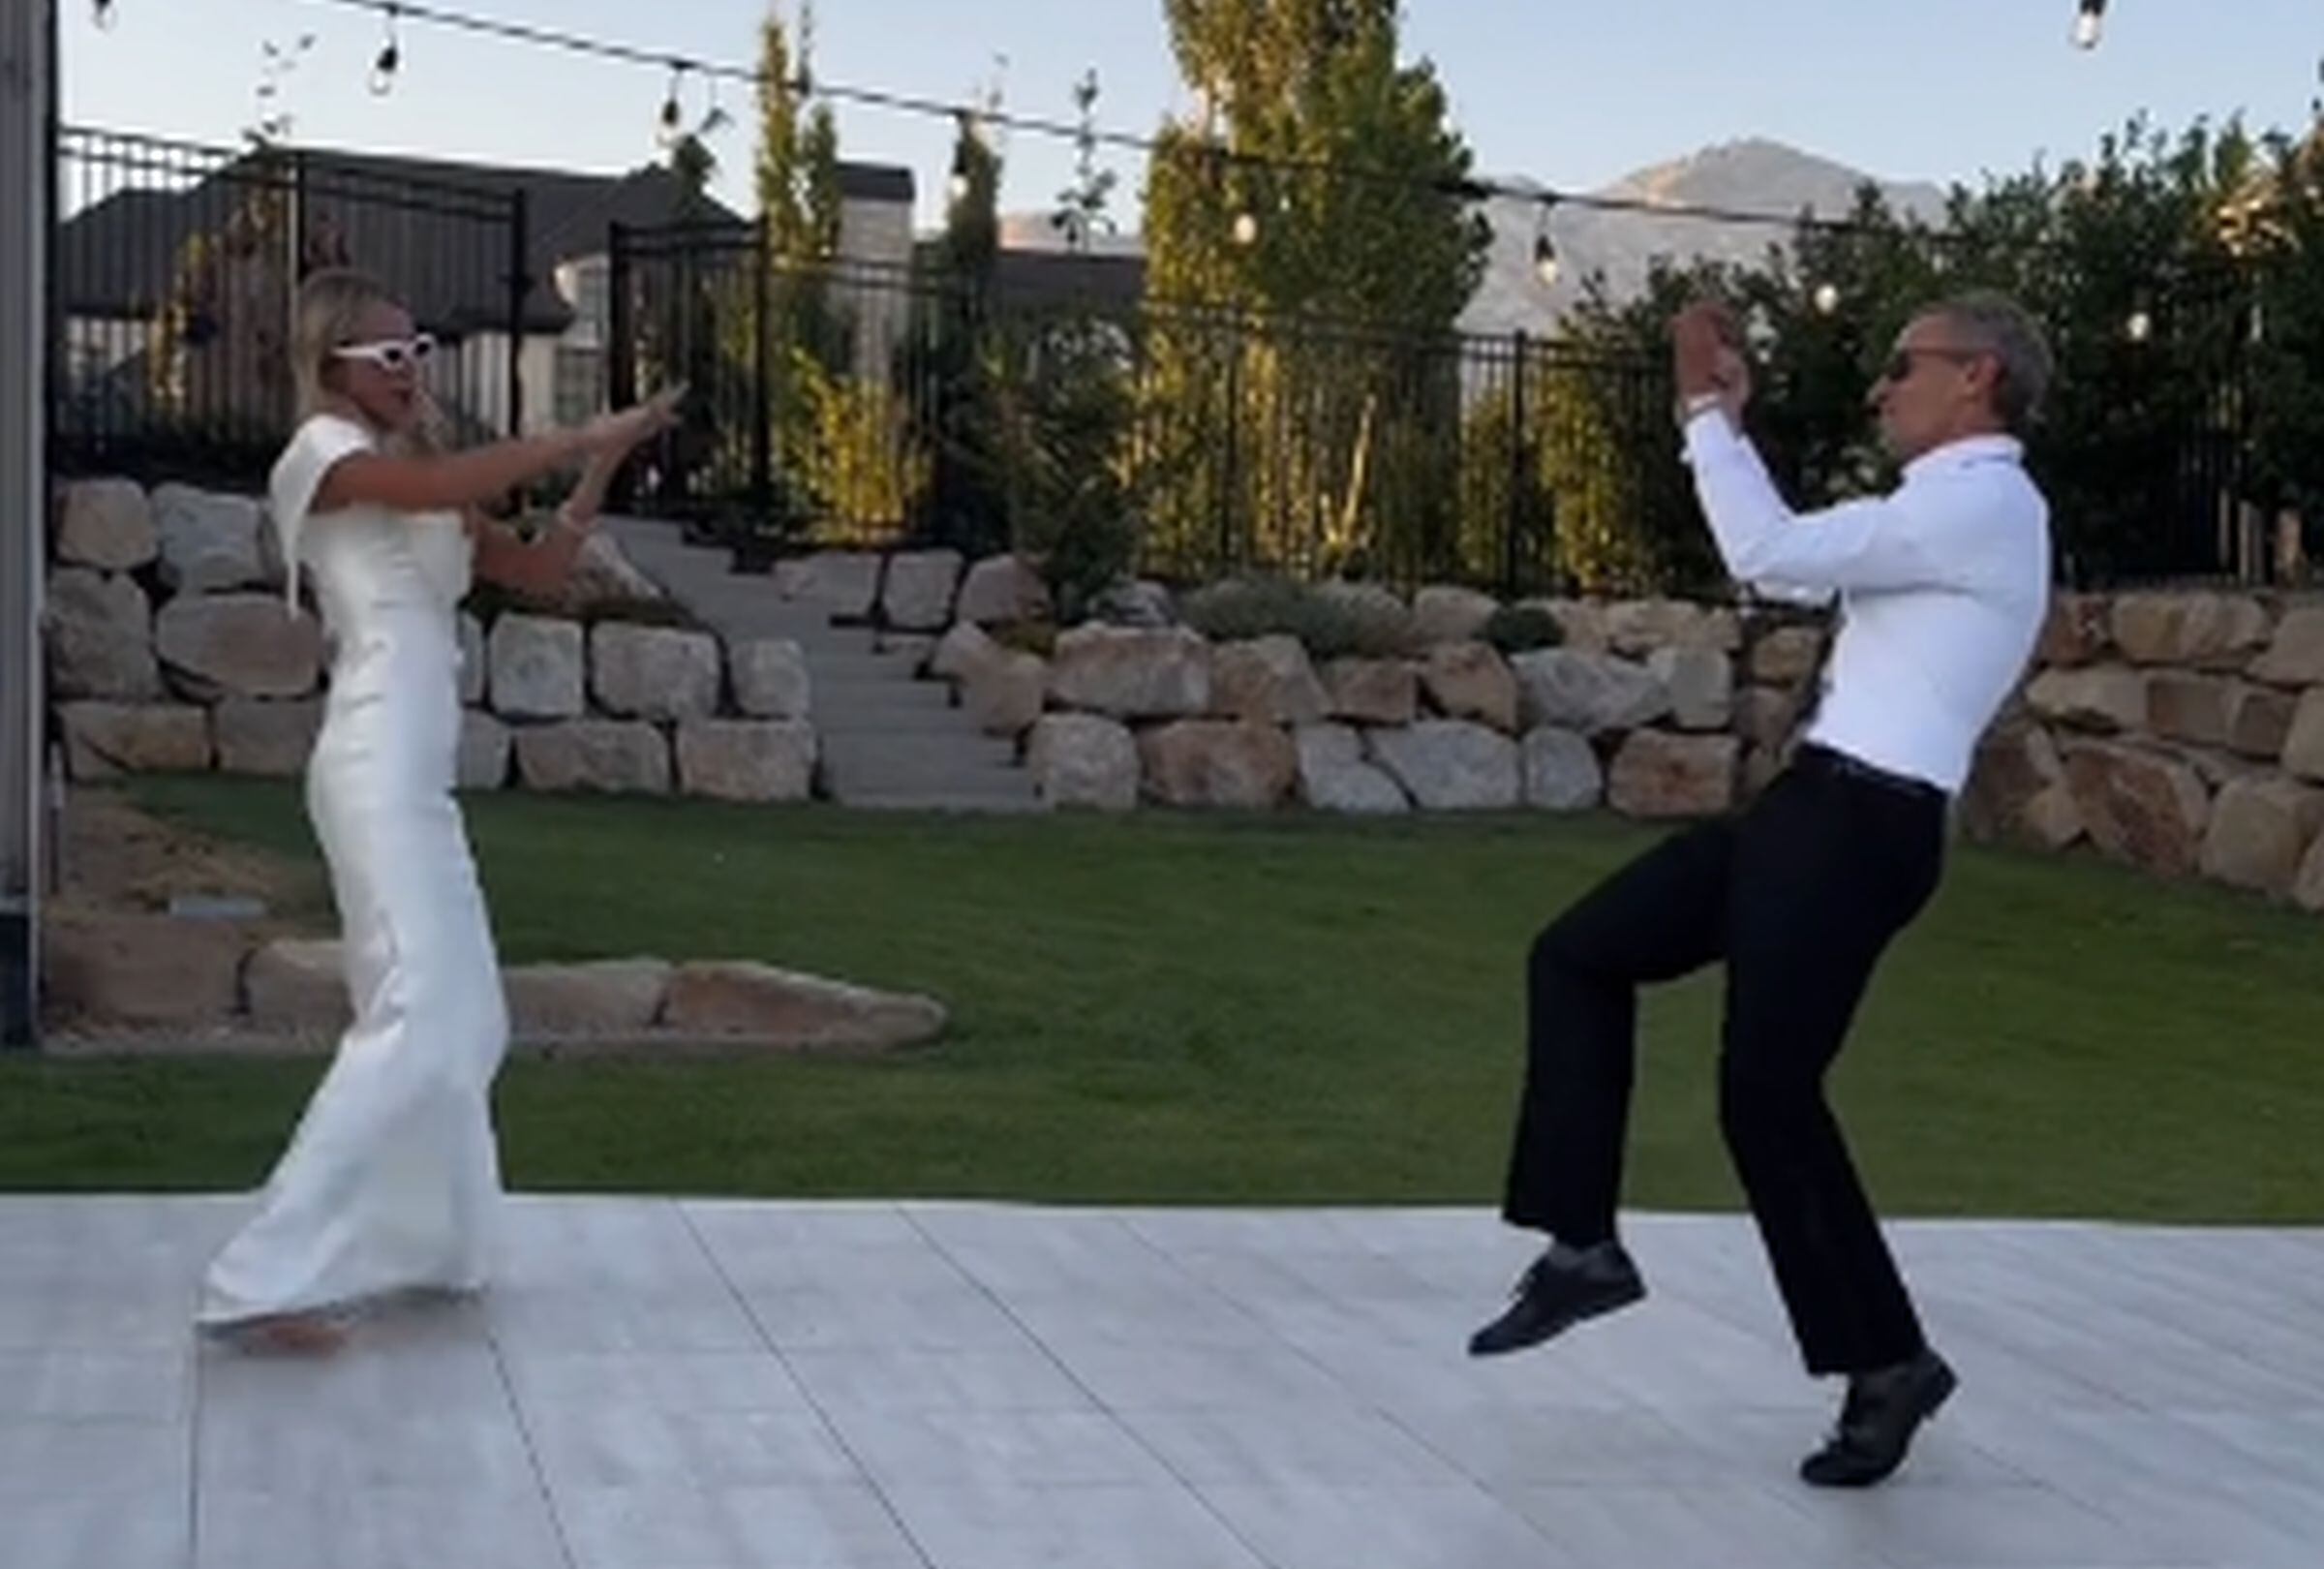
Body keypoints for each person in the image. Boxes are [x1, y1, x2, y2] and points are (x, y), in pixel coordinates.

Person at [1466, 291, 2054, 1488]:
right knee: (1580, 954)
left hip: (1861, 826)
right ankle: (1583, 1248)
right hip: (1815, 812)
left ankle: (1886, 1363)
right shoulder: (1940, 510)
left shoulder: (1984, 504)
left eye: (1905, 364)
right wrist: (1729, 423)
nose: (1884, 387)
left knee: (1768, 1099)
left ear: (1977, 377)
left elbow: (1769, 556)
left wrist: (1698, 408)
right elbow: (1804, 546)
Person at [197, 267, 681, 1352]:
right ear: (332, 367)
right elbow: (440, 486)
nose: (413, 372)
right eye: (390, 357)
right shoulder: (323, 459)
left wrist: (597, 466)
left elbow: (544, 568)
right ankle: (259, 1279)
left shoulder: (416, 476)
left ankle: (424, 1245)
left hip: (418, 777)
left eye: (420, 352)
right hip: (370, 760)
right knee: (417, 1013)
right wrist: (569, 432)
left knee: (466, 1019)